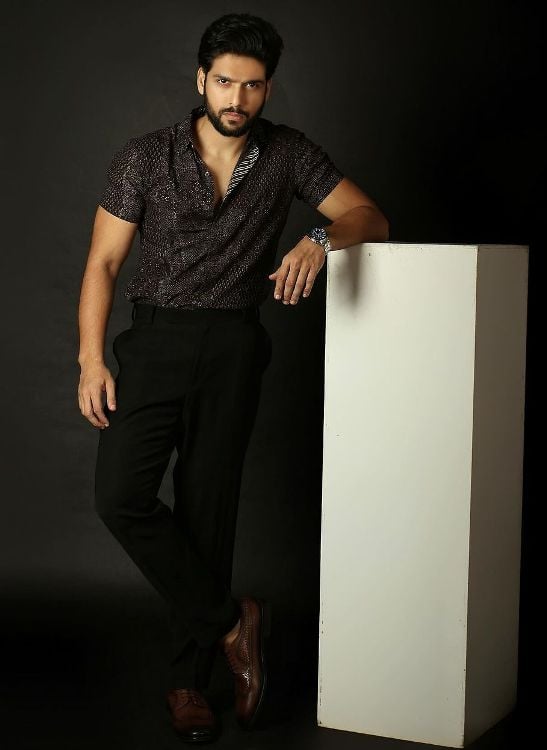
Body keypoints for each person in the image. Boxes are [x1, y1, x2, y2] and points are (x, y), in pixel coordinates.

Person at [77, 12, 388, 745]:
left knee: (207, 514)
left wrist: (319, 238)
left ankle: (189, 684)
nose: (236, 98)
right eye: (224, 82)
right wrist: (91, 358)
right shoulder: (144, 157)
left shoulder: (288, 155)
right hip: (154, 341)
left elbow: (370, 217)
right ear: (201, 80)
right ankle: (230, 622)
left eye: (251, 86)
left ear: (267, 88)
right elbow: (103, 264)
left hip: (235, 346)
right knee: (120, 495)